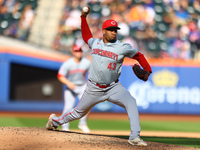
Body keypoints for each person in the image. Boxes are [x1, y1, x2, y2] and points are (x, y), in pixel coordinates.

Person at [46, 7, 152, 146]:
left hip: (113, 87)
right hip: (93, 87)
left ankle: (134, 137)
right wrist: (83, 18)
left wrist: (148, 70)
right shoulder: (95, 43)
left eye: (115, 30)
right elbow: (86, 36)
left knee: (131, 102)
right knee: (78, 113)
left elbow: (139, 55)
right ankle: (54, 121)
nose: (114, 32)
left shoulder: (122, 47)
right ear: (103, 31)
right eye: (110, 30)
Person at [57, 45, 91, 133]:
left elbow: (91, 74)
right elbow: (60, 76)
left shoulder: (86, 62)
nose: (78, 53)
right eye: (76, 51)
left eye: (79, 51)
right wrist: (68, 83)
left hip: (82, 85)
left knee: (87, 105)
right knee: (68, 107)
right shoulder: (68, 63)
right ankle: (65, 126)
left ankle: (82, 124)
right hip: (71, 86)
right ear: (73, 52)